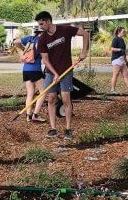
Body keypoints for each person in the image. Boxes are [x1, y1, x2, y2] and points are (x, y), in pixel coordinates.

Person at [35, 11, 89, 139]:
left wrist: (84, 51)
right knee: (52, 99)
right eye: (39, 24)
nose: (40, 26)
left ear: (48, 21)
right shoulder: (42, 39)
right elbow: (45, 60)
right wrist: (54, 74)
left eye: (42, 23)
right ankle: (53, 128)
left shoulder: (65, 30)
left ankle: (68, 129)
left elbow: (85, 34)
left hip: (66, 70)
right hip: (51, 73)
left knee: (66, 99)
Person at [13, 27, 46, 123]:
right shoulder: (42, 41)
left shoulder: (30, 38)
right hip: (35, 70)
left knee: (30, 93)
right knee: (43, 91)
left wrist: (24, 49)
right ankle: (35, 115)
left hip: (26, 70)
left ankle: (28, 115)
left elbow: (15, 42)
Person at [110, 26, 128, 95]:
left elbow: (123, 51)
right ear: (119, 32)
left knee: (125, 75)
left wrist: (126, 60)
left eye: (124, 31)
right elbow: (112, 48)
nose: (124, 33)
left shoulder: (122, 40)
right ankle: (112, 90)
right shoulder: (115, 39)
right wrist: (119, 49)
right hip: (116, 59)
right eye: (123, 31)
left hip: (122, 59)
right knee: (115, 75)